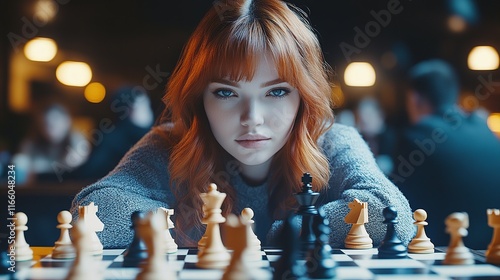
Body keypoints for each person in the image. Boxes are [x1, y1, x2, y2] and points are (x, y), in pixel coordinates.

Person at [71, 0, 414, 248]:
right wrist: (200, 223)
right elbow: (91, 214)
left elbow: (392, 213)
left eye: (277, 91)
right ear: (198, 99)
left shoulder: (333, 140)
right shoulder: (170, 143)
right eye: (226, 93)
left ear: (304, 96)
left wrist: (291, 230)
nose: (253, 118)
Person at [391, 59, 500, 249]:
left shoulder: (416, 136)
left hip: (444, 251)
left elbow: (399, 207)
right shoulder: (485, 129)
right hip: (492, 249)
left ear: (414, 98)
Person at [72, 86, 154, 180]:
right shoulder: (113, 141)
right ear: (129, 110)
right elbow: (88, 173)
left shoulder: (109, 135)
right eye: (144, 105)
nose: (149, 111)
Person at [14, 102, 90, 184]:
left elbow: (72, 169)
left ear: (67, 121)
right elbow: (21, 165)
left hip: (68, 188)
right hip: (38, 190)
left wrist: (36, 170)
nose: (51, 127)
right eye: (45, 123)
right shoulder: (31, 142)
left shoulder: (78, 141)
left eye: (56, 120)